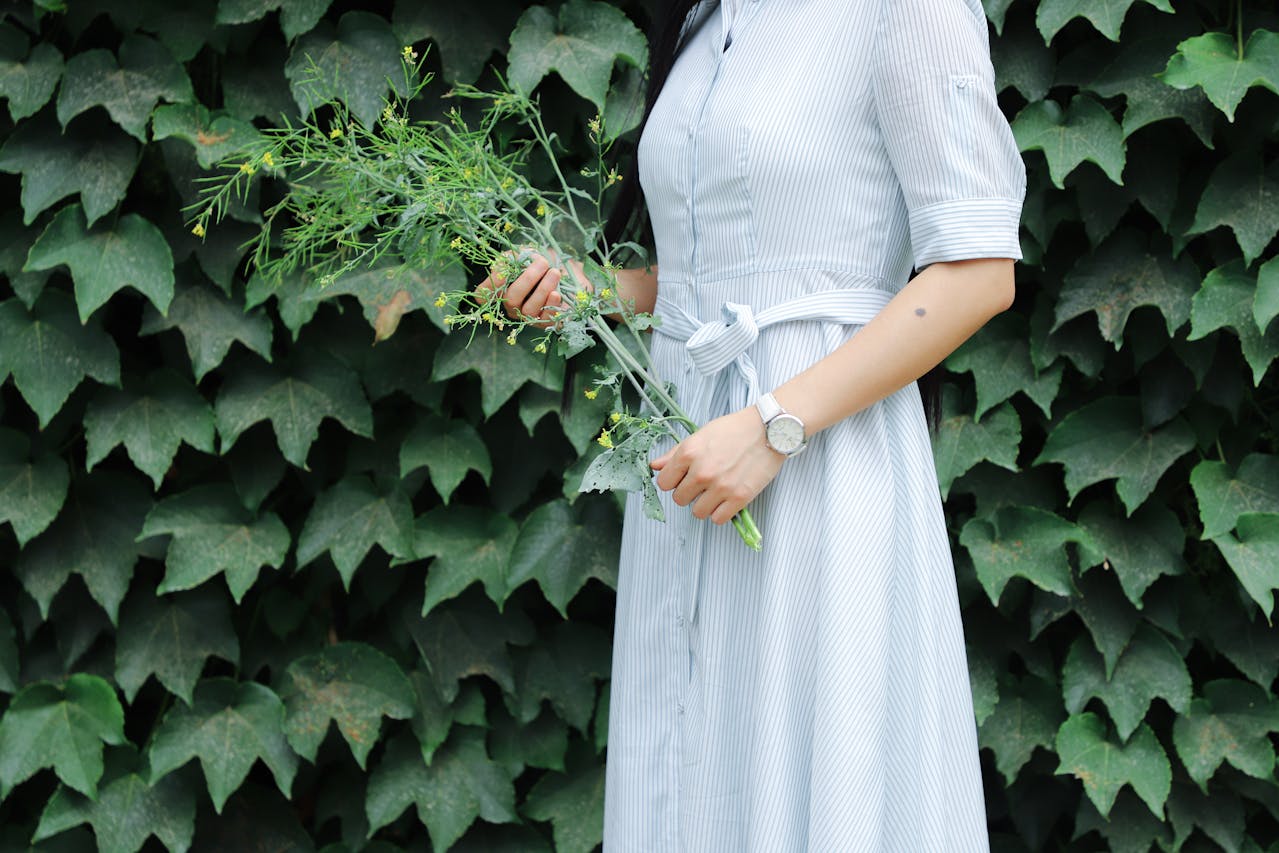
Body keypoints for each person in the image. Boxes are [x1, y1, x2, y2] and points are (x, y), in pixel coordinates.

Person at [489, 0, 1026, 848]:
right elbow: (734, 264)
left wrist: (775, 423)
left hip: (817, 461)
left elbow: (977, 271)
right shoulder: (705, 19)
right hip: (686, 457)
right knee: (689, 767)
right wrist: (598, 289)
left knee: (817, 772)